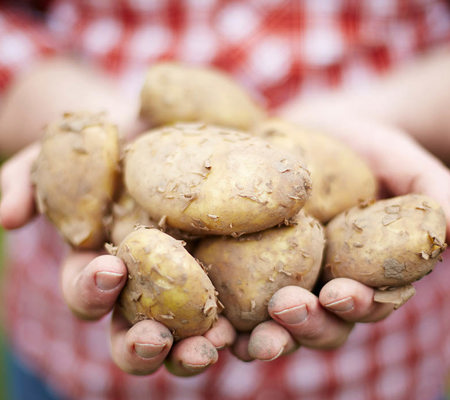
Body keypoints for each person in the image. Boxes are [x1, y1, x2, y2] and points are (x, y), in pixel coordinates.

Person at [0, 1, 450, 399]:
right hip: (76, 366)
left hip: (380, 374)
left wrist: (390, 112)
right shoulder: (141, 170)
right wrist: (68, 110)